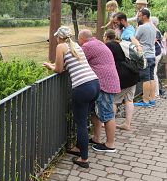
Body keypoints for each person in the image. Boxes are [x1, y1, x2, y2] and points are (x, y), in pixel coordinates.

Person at [43, 26, 100, 168]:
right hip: (94, 83)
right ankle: (81, 147)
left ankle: (84, 159)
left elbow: (59, 69)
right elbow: (72, 65)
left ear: (60, 37)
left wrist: (50, 66)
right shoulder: (76, 46)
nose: (56, 39)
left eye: (56, 37)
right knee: (84, 119)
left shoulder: (61, 46)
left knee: (80, 123)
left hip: (82, 87)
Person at [78, 29, 120, 153]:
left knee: (107, 114)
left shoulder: (87, 46)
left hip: (104, 84)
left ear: (82, 39)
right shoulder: (98, 43)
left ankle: (110, 144)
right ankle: (96, 138)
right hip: (108, 82)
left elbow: (77, 59)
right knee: (96, 113)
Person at [103, 29, 140, 130]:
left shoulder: (108, 45)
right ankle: (127, 124)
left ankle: (109, 124)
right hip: (132, 73)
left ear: (106, 37)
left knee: (114, 100)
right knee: (129, 100)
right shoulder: (121, 43)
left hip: (123, 76)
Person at [135, 9, 156, 105]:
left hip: (145, 56)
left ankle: (145, 100)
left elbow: (135, 39)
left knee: (145, 79)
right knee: (151, 77)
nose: (138, 17)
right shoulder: (153, 27)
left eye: (139, 15)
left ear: (144, 16)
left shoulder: (142, 27)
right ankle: (152, 99)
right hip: (152, 54)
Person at [151, 17, 163, 98]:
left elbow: (153, 41)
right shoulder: (155, 30)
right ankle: (156, 92)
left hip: (156, 53)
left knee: (153, 73)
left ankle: (156, 93)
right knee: (153, 73)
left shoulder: (155, 30)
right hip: (157, 53)